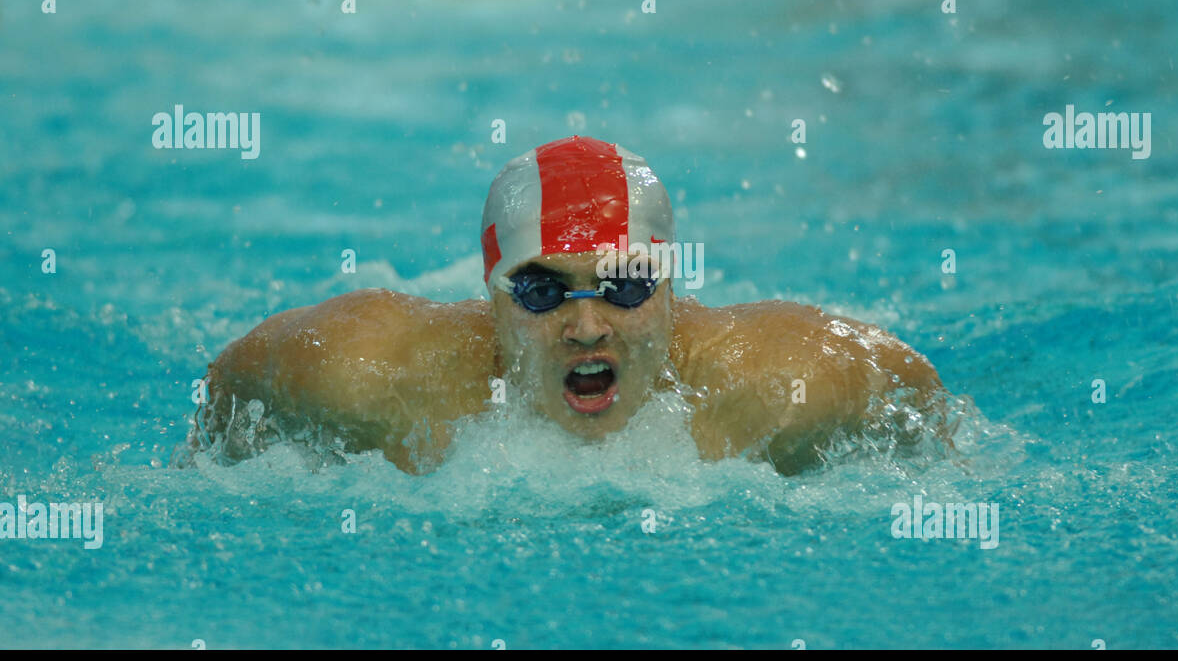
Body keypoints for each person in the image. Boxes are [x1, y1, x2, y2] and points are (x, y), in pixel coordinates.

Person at [195, 135, 956, 476]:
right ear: (492, 300)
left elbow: (922, 396)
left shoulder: (783, 384)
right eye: (541, 290)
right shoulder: (372, 371)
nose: (587, 325)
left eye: (625, 285)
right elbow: (230, 385)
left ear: (670, 287)